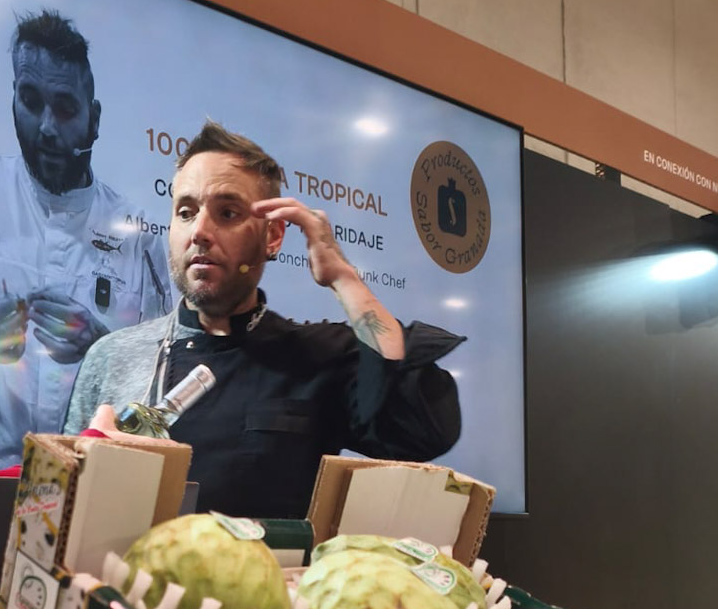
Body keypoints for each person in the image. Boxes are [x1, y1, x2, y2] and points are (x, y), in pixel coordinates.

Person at [64, 121, 466, 519]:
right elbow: (60, 500)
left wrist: (344, 278)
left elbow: (423, 430)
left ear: (272, 236)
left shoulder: (317, 356)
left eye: (227, 213)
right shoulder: (113, 356)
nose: (200, 231)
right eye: (185, 212)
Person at [0, 9, 171, 473]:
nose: (46, 126)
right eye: (30, 100)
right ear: (13, 100)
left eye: (65, 108)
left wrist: (101, 349)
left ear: (94, 119)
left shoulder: (136, 231)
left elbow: (159, 370)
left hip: (99, 484)